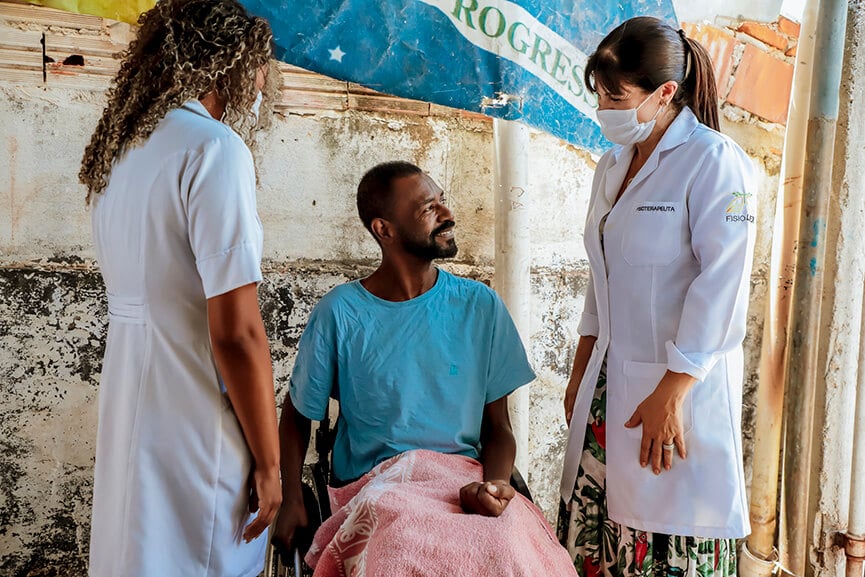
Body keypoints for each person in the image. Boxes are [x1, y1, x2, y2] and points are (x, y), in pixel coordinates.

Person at [271, 161, 577, 576]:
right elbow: (297, 415)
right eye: (427, 209)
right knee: (400, 545)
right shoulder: (340, 313)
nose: (448, 215)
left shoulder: (479, 306)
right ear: (384, 229)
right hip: (377, 488)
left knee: (508, 546)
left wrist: (496, 486)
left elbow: (498, 429)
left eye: (442, 201)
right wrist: (291, 499)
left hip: (462, 482)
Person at [78, 2, 282, 576]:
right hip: (194, 411)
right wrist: (270, 464)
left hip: (132, 397)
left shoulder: (123, 151)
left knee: (136, 553)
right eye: (262, 66)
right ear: (230, 64)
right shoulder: (215, 149)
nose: (264, 82)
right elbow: (238, 333)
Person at [557, 17, 755, 577]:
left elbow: (724, 284)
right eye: (598, 92)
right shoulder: (612, 167)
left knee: (663, 550)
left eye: (615, 95)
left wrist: (674, 387)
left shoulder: (714, 162)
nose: (603, 107)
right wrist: (579, 373)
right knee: (596, 546)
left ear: (665, 93)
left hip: (675, 392)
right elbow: (602, 280)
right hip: (606, 387)